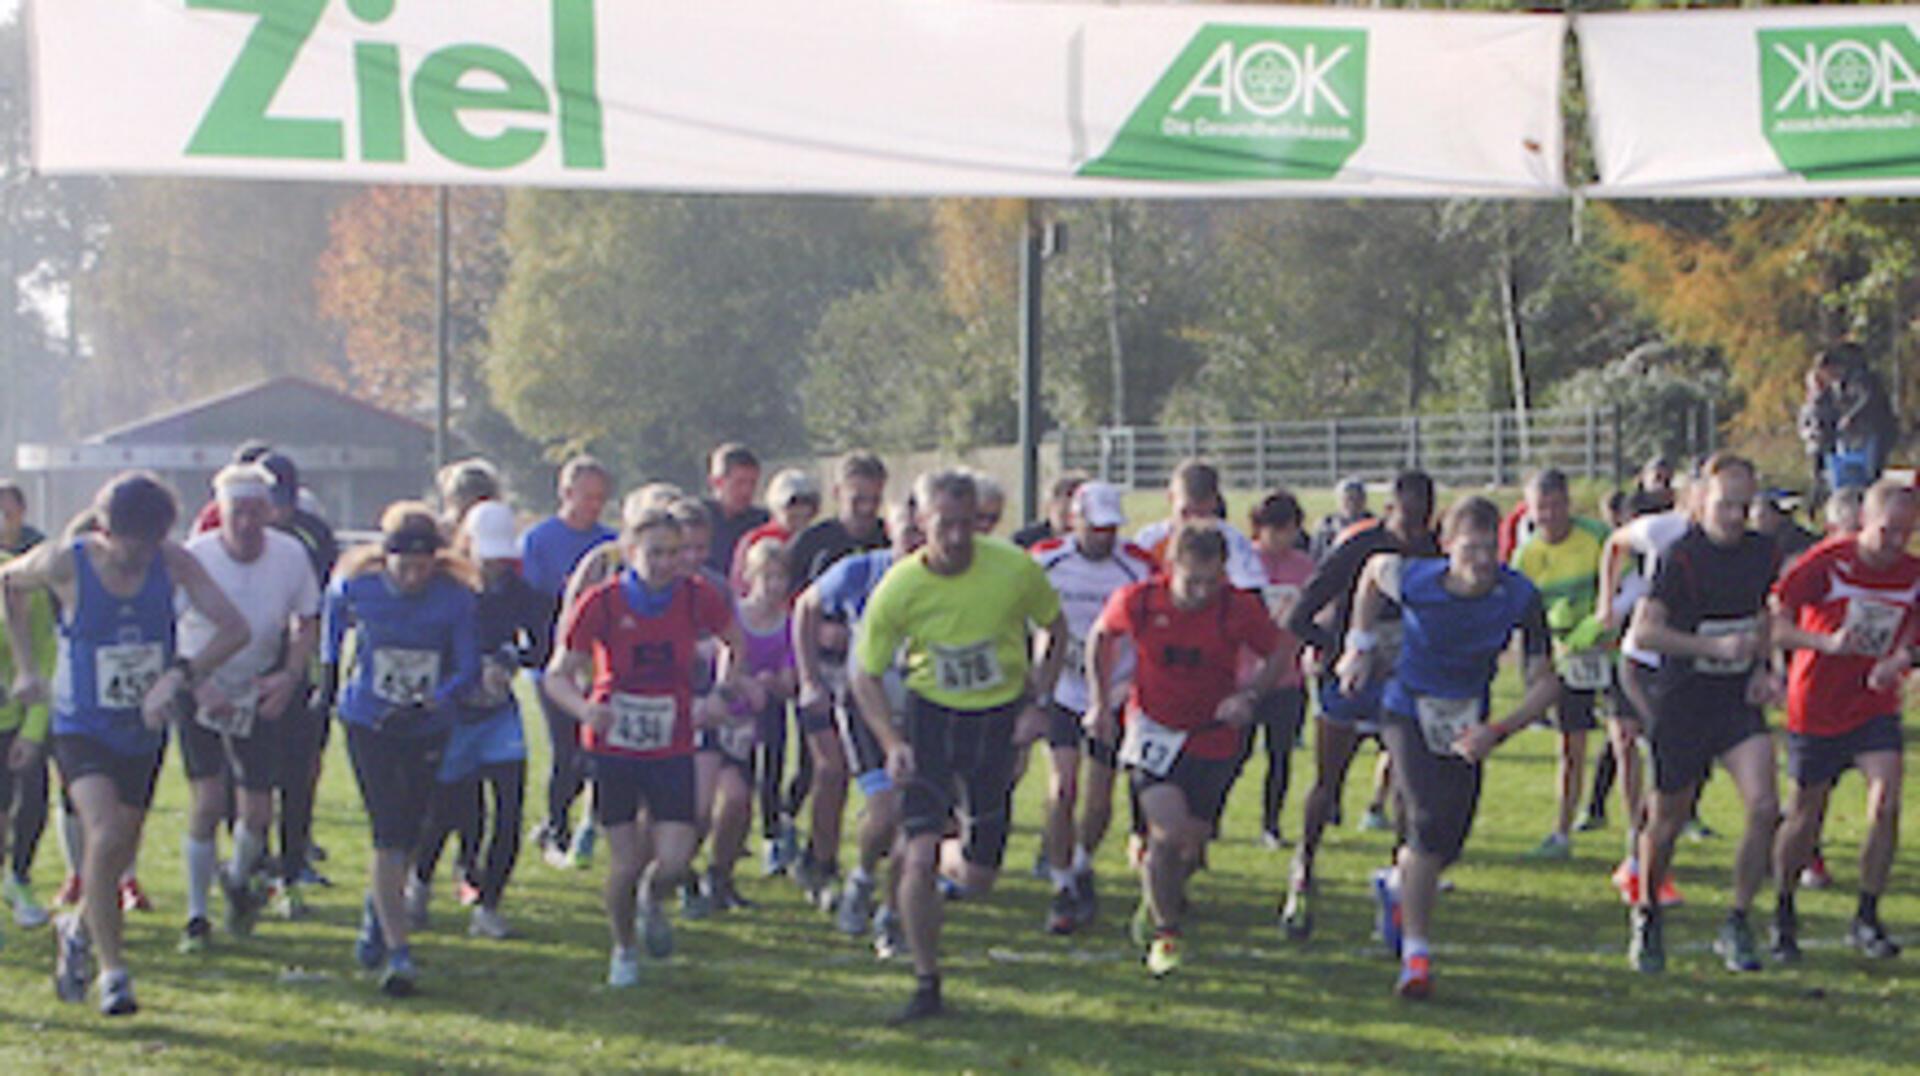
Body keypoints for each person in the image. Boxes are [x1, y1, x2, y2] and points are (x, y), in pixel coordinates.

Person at [2, 472, 249, 1015]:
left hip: (142, 728)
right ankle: (114, 972)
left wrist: (178, 675)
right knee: (105, 830)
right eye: (124, 546)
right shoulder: (65, 561)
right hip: (80, 725)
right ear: (104, 527)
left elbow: (235, 628)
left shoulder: (174, 563)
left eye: (146, 546)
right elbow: (8, 581)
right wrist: (25, 667)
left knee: (116, 850)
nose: (134, 558)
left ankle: (77, 930)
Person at [850, 469, 1065, 1023]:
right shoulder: (900, 586)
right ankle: (926, 982)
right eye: (944, 525)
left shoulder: (1013, 569)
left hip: (996, 722)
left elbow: (1053, 627)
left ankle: (933, 856)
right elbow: (865, 675)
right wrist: (891, 740)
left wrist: (1037, 699)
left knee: (978, 875)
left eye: (966, 524)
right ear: (921, 523)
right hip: (932, 723)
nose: (956, 537)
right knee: (920, 856)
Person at [1337, 496, 1559, 999]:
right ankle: (1417, 957)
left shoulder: (1519, 595)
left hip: (1467, 720)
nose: (1480, 561)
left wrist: (1498, 730)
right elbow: (1373, 572)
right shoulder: (1418, 581)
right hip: (1409, 709)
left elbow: (1546, 684)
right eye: (1469, 549)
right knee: (1427, 822)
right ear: (1447, 548)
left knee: (1447, 844)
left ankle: (1395, 886)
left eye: (1489, 549)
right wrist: (1359, 644)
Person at [545, 504, 746, 988]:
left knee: (675, 859)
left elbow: (736, 645)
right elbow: (557, 675)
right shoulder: (603, 602)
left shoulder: (697, 597)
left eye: (674, 554)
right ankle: (623, 949)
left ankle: (652, 900)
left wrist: (720, 693)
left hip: (672, 741)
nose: (665, 564)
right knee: (626, 860)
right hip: (614, 744)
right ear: (632, 552)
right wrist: (585, 708)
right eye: (655, 553)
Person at [1088, 523, 1285, 977]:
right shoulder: (1139, 601)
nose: (1201, 591)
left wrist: (1251, 695)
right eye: (1192, 580)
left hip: (1212, 736)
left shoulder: (1236, 608)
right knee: (1167, 832)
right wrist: (1101, 703)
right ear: (1170, 568)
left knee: (1192, 845)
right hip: (1153, 732)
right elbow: (1102, 636)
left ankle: (1156, 899)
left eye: (1211, 581)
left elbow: (1278, 650)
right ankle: (1167, 935)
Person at [1625, 453, 1783, 974]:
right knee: (1666, 821)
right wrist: (1709, 648)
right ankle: (1647, 912)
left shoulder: (1763, 553)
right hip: (1683, 699)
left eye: (1744, 505)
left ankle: (1737, 921)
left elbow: (1764, 617)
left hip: (1736, 701)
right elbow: (1645, 632)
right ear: (1699, 504)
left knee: (1763, 808)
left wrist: (1766, 667)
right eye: (1725, 505)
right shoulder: (1681, 557)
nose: (1736, 516)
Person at [318, 502, 480, 997]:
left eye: (422, 567)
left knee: (411, 828)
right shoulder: (358, 587)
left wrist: (438, 699)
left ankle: (377, 906)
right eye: (403, 566)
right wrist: (328, 679)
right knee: (388, 829)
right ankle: (399, 950)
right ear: (385, 558)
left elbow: (468, 666)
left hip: (427, 723)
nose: (412, 577)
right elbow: (331, 622)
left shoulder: (456, 599)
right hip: (371, 719)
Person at [1281, 470, 1438, 939]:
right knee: (1328, 782)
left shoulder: (1437, 551)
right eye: (1404, 522)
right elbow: (1299, 615)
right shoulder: (1356, 548)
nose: (1410, 534)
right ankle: (1303, 869)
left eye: (1419, 524)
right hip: (1351, 684)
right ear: (1389, 510)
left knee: (1410, 789)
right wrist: (1339, 647)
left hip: (1407, 685)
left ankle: (1400, 883)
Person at [1768, 479, 1918, 962]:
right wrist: (1824, 644)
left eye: (1906, 533)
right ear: (1863, 523)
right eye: (1887, 532)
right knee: (1806, 813)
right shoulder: (1826, 563)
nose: (1896, 543)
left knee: (1887, 799)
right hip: (1816, 703)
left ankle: (1867, 915)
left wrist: (1902, 660)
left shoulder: (1913, 573)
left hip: (1873, 704)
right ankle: (1783, 911)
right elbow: (1777, 621)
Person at [174, 465, 321, 954]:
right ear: (221, 512)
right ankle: (197, 915)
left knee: (258, 810)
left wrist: (289, 675)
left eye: (257, 510)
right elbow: (169, 629)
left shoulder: (289, 554)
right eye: (238, 512)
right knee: (210, 800)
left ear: (271, 510)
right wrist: (197, 684)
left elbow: (307, 620)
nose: (248, 522)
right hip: (202, 682)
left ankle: (237, 884)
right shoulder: (198, 557)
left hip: (257, 688)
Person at [409, 502, 549, 941]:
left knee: (509, 812)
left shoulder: (518, 593)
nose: (494, 569)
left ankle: (489, 905)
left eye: (501, 560)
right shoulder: (446, 590)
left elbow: (546, 643)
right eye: (487, 559)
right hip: (454, 717)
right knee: (447, 810)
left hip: (499, 715)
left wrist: (511, 658)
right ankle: (420, 882)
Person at [796, 498, 925, 956]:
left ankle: (891, 915)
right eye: (907, 530)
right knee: (886, 809)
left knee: (918, 823)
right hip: (866, 704)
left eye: (922, 531)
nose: (916, 540)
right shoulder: (859, 571)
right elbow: (806, 607)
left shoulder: (946, 578)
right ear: (889, 528)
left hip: (924, 708)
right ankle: (863, 875)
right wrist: (810, 678)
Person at [1028, 481, 1155, 935]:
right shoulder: (1046, 560)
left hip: (1115, 690)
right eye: (1095, 526)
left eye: (1110, 527)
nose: (1103, 536)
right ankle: (1061, 882)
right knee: (1062, 790)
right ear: (1074, 518)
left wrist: (1130, 685)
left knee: (1100, 799)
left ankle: (1081, 864)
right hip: (1064, 689)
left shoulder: (1136, 566)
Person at [783, 452, 889, 894]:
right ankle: (820, 857)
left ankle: (872, 859)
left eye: (874, 498)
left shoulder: (891, 540)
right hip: (823, 673)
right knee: (830, 768)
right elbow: (790, 605)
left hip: (874, 678)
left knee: (878, 779)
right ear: (838, 495)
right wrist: (811, 664)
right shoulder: (814, 543)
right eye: (857, 498)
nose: (866, 507)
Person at [1509, 469, 1612, 860]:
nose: (1549, 516)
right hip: (1568, 656)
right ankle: (1562, 831)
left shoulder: (1597, 537)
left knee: (1628, 739)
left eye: (1555, 506)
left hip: (1611, 650)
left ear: (1569, 503)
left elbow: (1627, 586)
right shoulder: (1528, 555)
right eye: (1540, 508)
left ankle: (1640, 833)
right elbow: (1523, 613)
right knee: (1571, 744)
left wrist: (1602, 622)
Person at [254, 451, 340, 916]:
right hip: (248, 666)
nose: (276, 510)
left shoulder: (313, 534)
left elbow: (318, 604)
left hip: (302, 667)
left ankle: (293, 861)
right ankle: (255, 858)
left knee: (300, 771)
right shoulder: (232, 532)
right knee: (248, 775)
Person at [518, 457, 615, 871]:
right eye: (586, 496)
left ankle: (565, 822)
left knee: (591, 754)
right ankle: (557, 828)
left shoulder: (609, 541)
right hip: (552, 661)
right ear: (566, 493)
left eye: (600, 498)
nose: (593, 505)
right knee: (567, 750)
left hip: (598, 663)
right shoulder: (540, 539)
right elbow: (534, 602)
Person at [696, 538, 795, 912]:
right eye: (765, 576)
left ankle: (720, 876)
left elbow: (790, 679)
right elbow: (715, 659)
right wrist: (742, 682)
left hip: (751, 727)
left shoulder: (787, 624)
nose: (772, 585)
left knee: (740, 805)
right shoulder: (733, 615)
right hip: (714, 715)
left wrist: (776, 683)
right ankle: (679, 873)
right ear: (748, 577)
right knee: (711, 804)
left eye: (780, 577)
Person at [1242, 489, 1315, 849]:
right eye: (1279, 529)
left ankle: (1271, 824)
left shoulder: (1304, 566)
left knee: (1280, 754)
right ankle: (1210, 818)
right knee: (1233, 753)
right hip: (1242, 676)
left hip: (1288, 677)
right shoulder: (1242, 564)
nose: (1285, 537)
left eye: (1291, 529)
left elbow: (1315, 612)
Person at [0, 541, 54, 936]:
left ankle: (18, 877)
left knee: (30, 801)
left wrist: (33, 730)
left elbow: (44, 654)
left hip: (13, 717)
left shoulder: (16, 579)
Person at [1133, 459, 1265, 589]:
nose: (1193, 522)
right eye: (1185, 513)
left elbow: (1250, 586)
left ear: (1214, 502)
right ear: (1170, 497)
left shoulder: (1233, 541)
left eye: (1202, 515)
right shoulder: (1149, 540)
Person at [728, 468, 820, 593]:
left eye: (806, 503)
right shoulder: (755, 540)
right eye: (792, 504)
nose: (799, 510)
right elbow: (739, 586)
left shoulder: (819, 539)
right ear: (776, 506)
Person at [702, 443, 769, 579]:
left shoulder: (762, 522)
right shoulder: (697, 519)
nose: (746, 491)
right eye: (739, 483)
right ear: (716, 482)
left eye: (752, 483)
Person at [1012, 473, 1086, 549]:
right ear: (1051, 502)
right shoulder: (1025, 540)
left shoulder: (1092, 544)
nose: (1075, 502)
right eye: (1070, 494)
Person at [1311, 477, 1373, 563]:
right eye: (1349, 498)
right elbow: (1315, 558)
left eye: (1358, 497)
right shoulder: (1326, 526)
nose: (1353, 503)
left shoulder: (1375, 525)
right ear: (1339, 499)